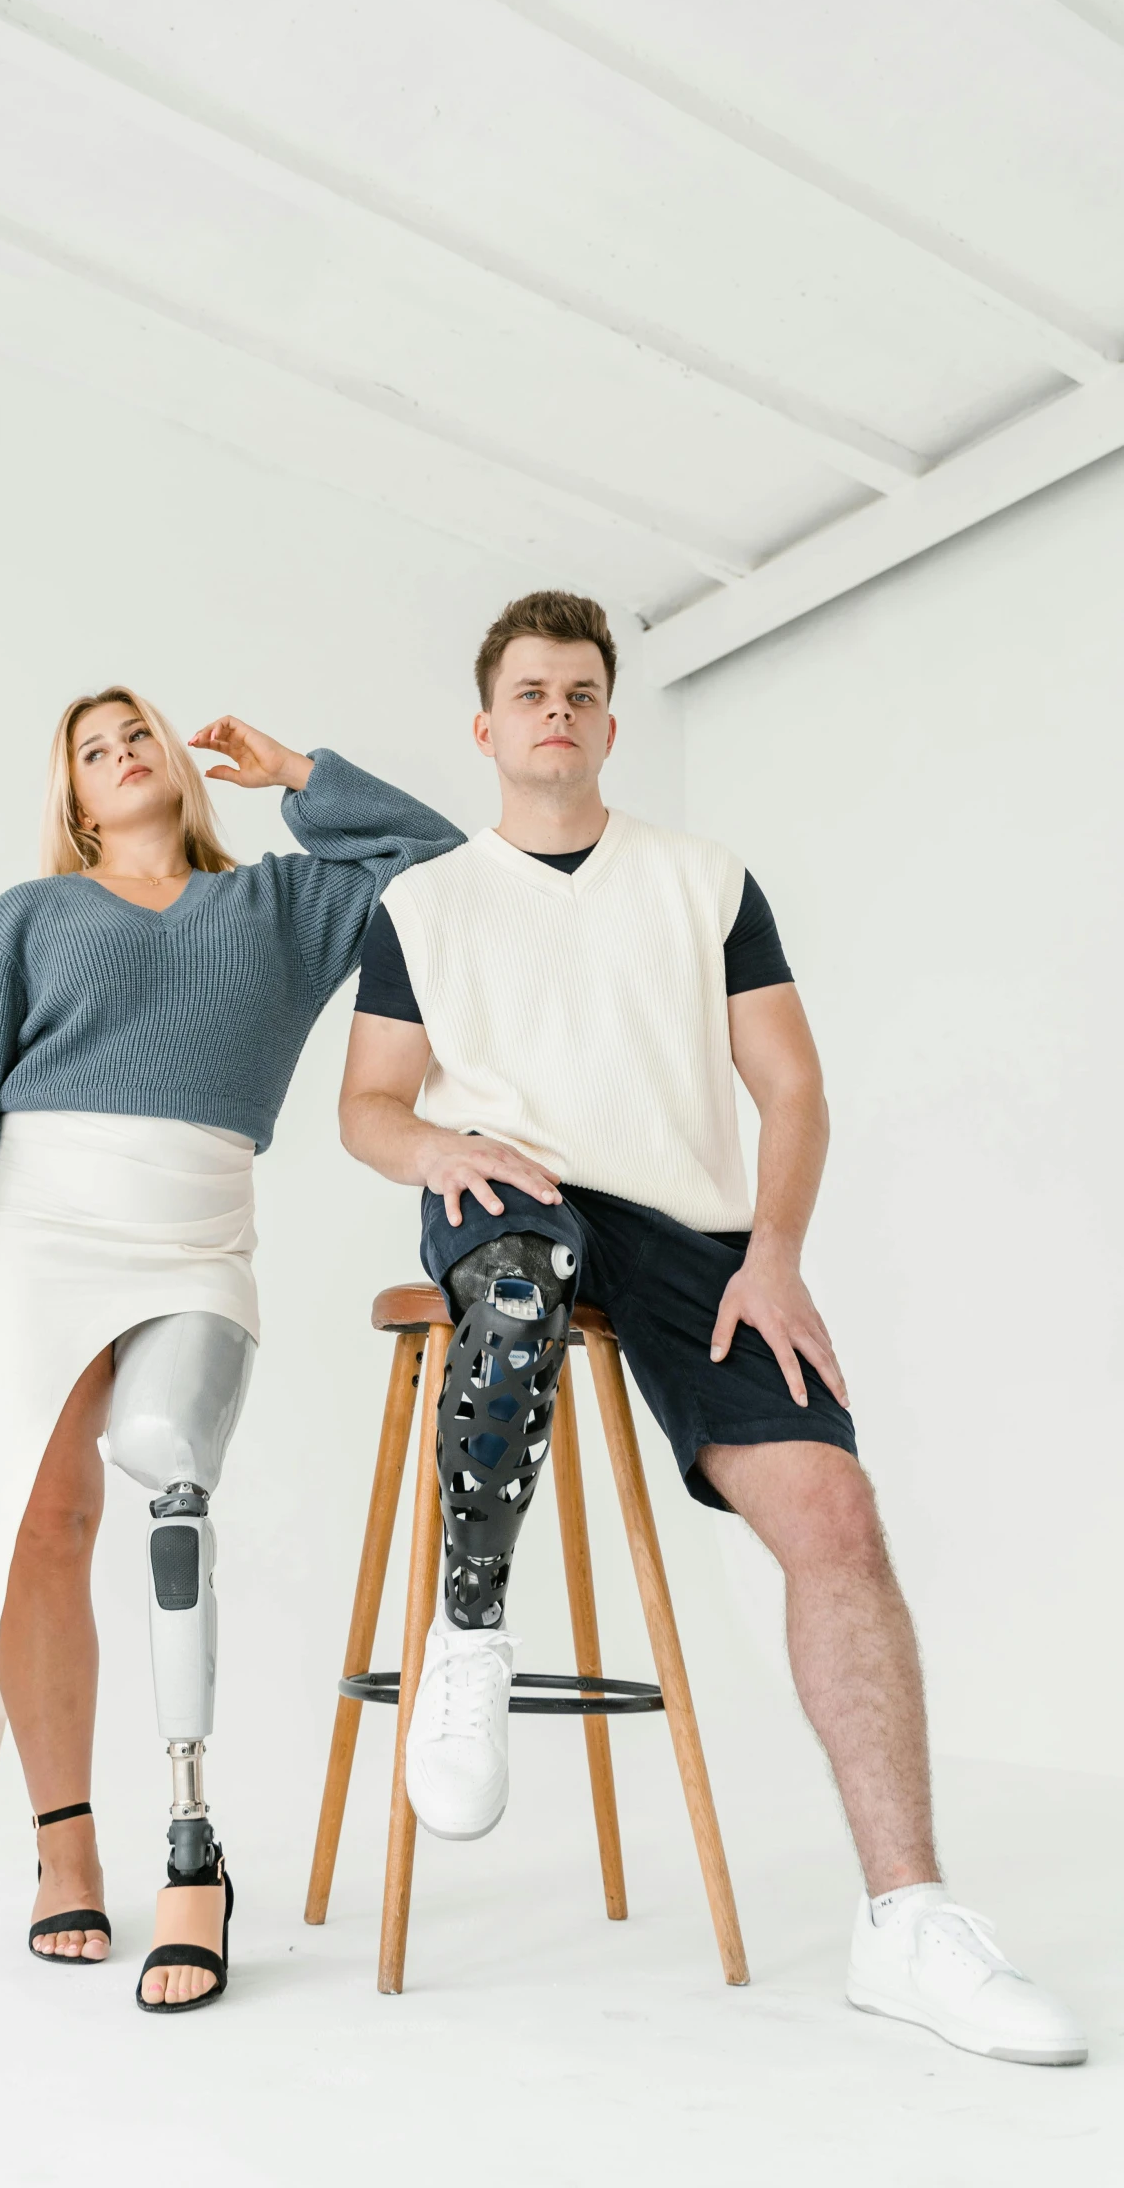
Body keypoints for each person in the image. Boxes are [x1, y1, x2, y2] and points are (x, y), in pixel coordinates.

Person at [337, 590, 1085, 2067]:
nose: (556, 709)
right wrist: (430, 1151)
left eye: (580, 692)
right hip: (515, 1195)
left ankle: (906, 1917)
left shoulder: (703, 879)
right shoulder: (419, 907)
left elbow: (791, 1088)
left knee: (834, 1510)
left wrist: (778, 1255)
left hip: (688, 1226)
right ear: (484, 729)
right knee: (511, 1285)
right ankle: (469, 1635)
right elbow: (366, 1102)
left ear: (610, 726)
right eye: (529, 691)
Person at [0, 687, 459, 2013]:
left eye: (137, 731)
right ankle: (67, 1846)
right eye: (94, 749)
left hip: (197, 1229)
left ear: (177, 768)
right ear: (75, 797)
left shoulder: (279, 903)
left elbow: (436, 870)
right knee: (45, 1518)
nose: (124, 753)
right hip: (37, 1221)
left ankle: (196, 1846)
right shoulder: (23, 920)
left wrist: (300, 772)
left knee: (175, 1482)